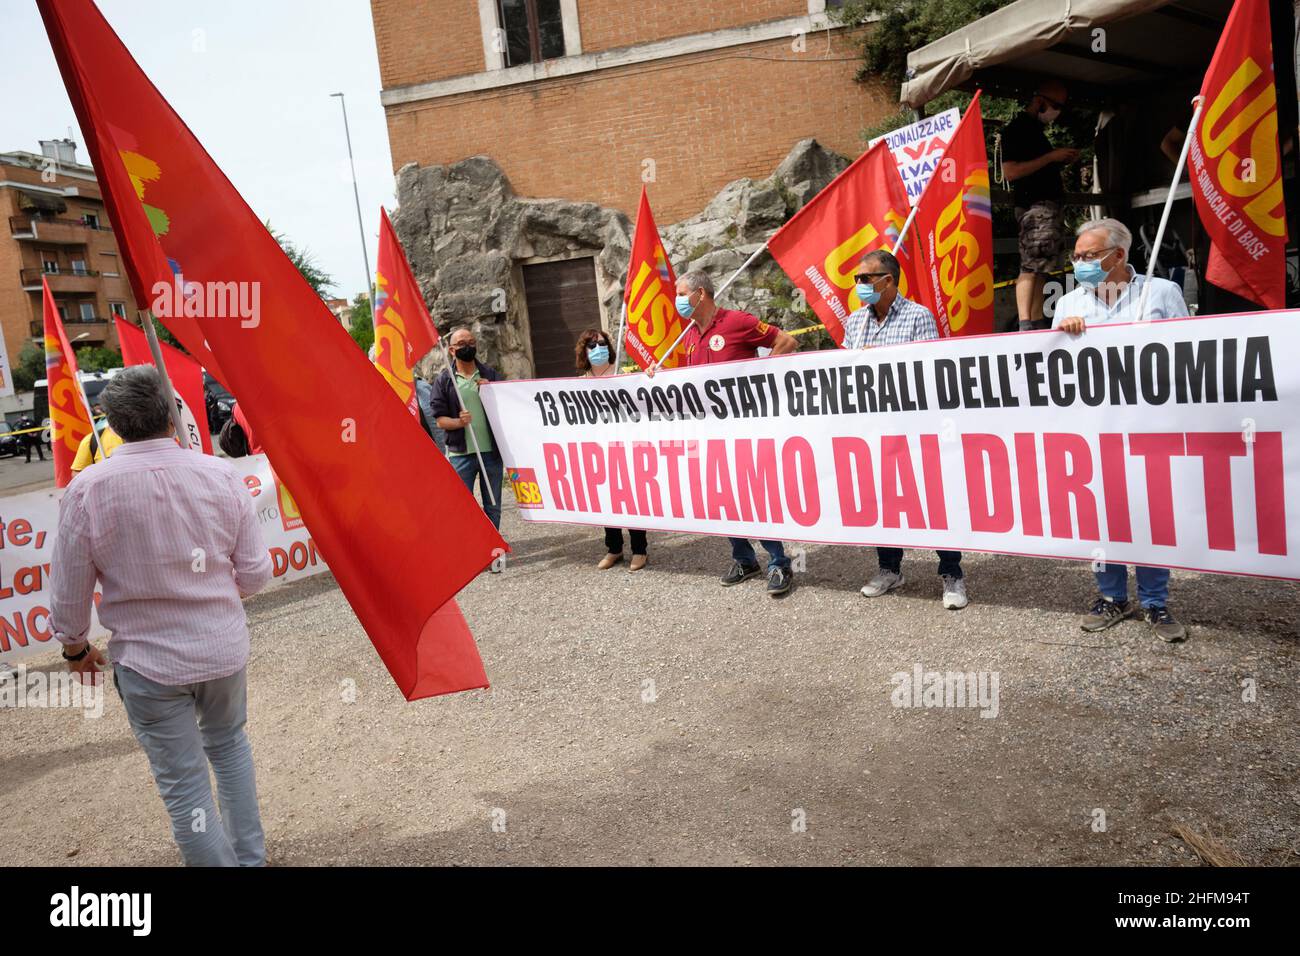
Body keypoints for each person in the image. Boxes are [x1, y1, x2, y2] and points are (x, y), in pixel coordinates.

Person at [50, 366, 273, 866]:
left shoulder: (86, 490)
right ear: (173, 417)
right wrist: (212, 594)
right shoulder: (219, 475)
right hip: (221, 649)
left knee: (184, 783)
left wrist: (75, 648)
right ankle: (250, 859)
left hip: (148, 663)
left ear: (111, 422)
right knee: (230, 748)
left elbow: (69, 589)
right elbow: (256, 574)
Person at [1053, 217, 1189, 642]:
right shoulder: (1068, 304)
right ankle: (1110, 596)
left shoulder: (1162, 293)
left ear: (1119, 255)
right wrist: (1064, 336)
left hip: (1150, 426)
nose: (1080, 264)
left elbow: (1189, 352)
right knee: (1103, 516)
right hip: (1094, 429)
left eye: (1089, 256)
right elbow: (1054, 372)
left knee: (1151, 514)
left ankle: (1155, 601)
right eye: (1076, 257)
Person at [844, 250, 969, 610]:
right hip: (873, 427)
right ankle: (890, 569)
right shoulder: (855, 323)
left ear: (888, 280)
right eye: (857, 279)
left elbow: (925, 368)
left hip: (915, 426)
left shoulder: (919, 316)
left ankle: (951, 572)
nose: (859, 286)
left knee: (933, 497)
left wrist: (880, 361)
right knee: (882, 498)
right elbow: (842, 372)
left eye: (865, 279)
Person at [667, 270, 799, 596]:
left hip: (745, 428)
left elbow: (787, 342)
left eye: (682, 294)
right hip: (710, 432)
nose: (678, 301)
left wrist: (759, 378)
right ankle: (744, 558)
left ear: (700, 293)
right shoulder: (688, 335)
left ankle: (779, 562)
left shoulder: (737, 321)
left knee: (754, 493)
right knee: (722, 497)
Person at [1001, 79, 1081, 331]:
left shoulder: (1035, 132)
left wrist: (1058, 160)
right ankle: (1026, 322)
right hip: (1035, 207)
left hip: (1048, 206)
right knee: (1030, 265)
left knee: (1043, 267)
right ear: (1039, 101)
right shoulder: (1017, 128)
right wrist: (1051, 157)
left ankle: (1035, 320)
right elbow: (1010, 172)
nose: (1058, 111)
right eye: (1056, 105)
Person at [577, 327, 647, 571]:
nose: (599, 349)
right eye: (593, 346)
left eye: (603, 344)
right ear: (585, 352)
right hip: (599, 449)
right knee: (607, 499)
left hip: (626, 447)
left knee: (632, 497)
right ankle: (614, 548)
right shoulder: (580, 383)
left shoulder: (623, 374)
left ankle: (639, 549)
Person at [431, 326, 504, 537]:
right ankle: (473, 547)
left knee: (493, 505)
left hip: (491, 452)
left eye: (471, 342)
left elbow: (508, 407)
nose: (468, 347)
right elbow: (439, 420)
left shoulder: (490, 375)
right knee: (462, 506)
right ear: (452, 350)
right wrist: (458, 422)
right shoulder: (445, 380)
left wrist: (493, 391)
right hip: (461, 454)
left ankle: (493, 546)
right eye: (462, 344)